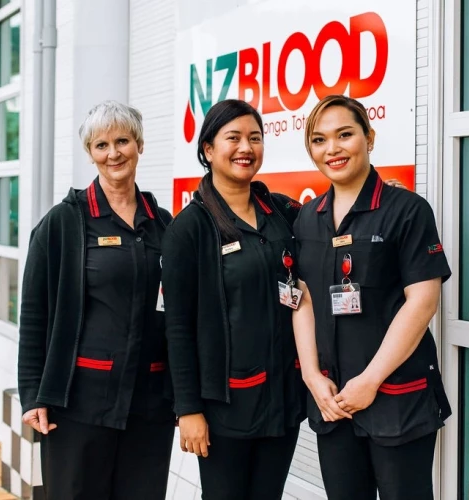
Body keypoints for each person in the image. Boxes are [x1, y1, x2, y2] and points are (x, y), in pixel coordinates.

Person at [291, 94, 452, 500]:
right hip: (332, 401)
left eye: (345, 135)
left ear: (370, 136)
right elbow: (303, 299)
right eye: (320, 140)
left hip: (396, 396)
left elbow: (423, 302)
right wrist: (312, 377)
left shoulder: (407, 210)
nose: (333, 149)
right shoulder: (308, 218)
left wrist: (370, 381)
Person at [18, 101, 175, 499]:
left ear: (139, 144)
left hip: (149, 403)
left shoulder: (163, 224)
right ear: (90, 153)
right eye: (101, 145)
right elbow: (35, 313)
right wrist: (33, 394)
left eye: (122, 141)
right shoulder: (64, 223)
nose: (113, 153)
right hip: (79, 402)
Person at [161, 99, 307, 500]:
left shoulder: (280, 212)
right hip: (224, 408)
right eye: (234, 138)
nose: (246, 147)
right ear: (208, 149)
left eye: (255, 138)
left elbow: (333, 221)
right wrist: (187, 409)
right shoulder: (189, 229)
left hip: (282, 398)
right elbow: (177, 326)